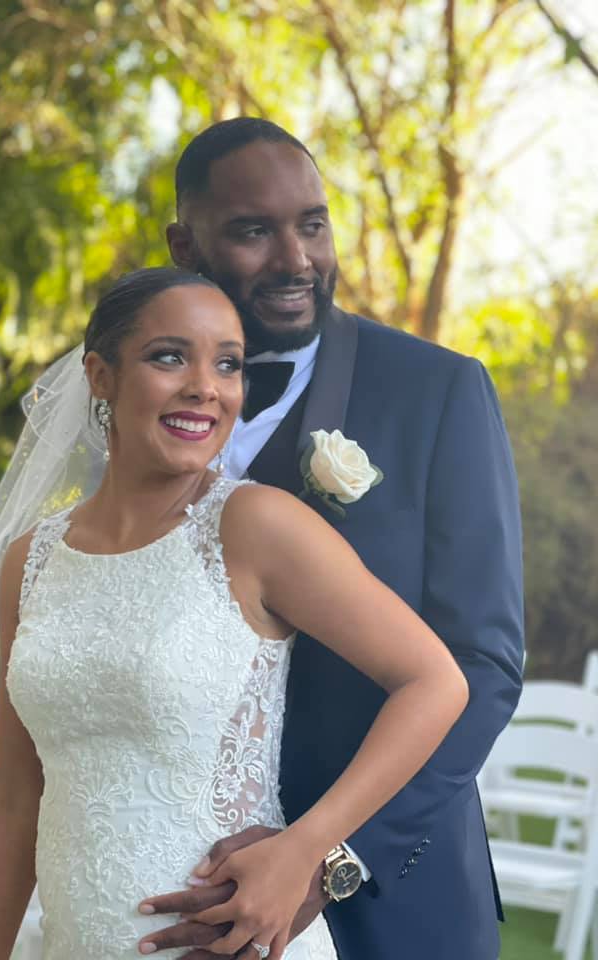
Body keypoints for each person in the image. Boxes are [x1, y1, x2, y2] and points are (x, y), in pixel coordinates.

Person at [0, 267, 468, 960]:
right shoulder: (31, 559)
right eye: (170, 356)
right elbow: (14, 799)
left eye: (228, 364)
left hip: (231, 945)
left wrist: (308, 852)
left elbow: (436, 682)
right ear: (100, 376)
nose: (206, 386)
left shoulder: (255, 525)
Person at [135, 119, 525, 960]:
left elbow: (484, 667)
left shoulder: (439, 392)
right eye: (252, 230)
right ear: (184, 242)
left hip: (393, 903)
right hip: (182, 887)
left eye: (311, 223)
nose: (295, 259)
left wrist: (328, 858)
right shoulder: (143, 407)